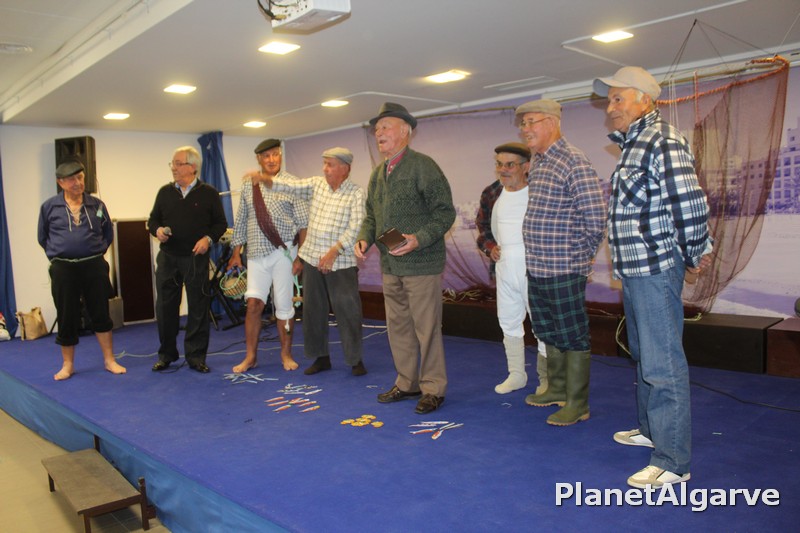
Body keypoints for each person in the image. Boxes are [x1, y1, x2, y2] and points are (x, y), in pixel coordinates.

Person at [593, 66, 712, 488]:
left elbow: (689, 203)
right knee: (645, 354)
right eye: (609, 100)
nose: (610, 108)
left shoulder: (662, 139)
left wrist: (695, 252)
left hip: (656, 269)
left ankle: (673, 461)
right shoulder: (634, 144)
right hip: (636, 271)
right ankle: (651, 431)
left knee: (663, 364)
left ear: (645, 100)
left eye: (618, 98)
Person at [356, 102, 456, 415]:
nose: (378, 133)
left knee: (427, 329)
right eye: (376, 130)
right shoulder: (377, 174)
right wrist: (364, 237)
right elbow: (371, 215)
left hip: (422, 264)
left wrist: (418, 239)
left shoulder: (423, 166)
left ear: (405, 132)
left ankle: (433, 388)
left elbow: (445, 213)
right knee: (398, 327)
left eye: (385, 127)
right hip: (391, 265)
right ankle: (407, 382)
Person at [517, 99, 607, 426]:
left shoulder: (573, 160)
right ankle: (556, 389)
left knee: (572, 334)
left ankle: (577, 403)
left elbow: (596, 218)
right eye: (523, 123)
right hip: (538, 267)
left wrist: (578, 258)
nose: (526, 129)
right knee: (547, 330)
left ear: (553, 122)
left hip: (563, 268)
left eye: (532, 122)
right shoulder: (539, 162)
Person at [258, 147, 367, 376]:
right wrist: (266, 180)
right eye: (324, 164)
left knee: (348, 311)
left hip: (341, 262)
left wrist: (334, 252)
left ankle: (355, 360)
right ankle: (321, 358)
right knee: (313, 311)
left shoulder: (356, 193)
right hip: (312, 258)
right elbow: (291, 186)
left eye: (330, 165)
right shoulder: (317, 185)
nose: (325, 169)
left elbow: (355, 227)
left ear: (344, 169)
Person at [37, 160, 126, 380]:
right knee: (66, 314)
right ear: (60, 182)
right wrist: (60, 254)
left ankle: (109, 360)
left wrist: (94, 251)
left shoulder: (97, 205)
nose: (77, 183)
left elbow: (107, 234)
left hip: (93, 265)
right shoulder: (49, 207)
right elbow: (43, 237)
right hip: (63, 268)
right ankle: (67, 365)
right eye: (71, 179)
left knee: (100, 312)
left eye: (80, 178)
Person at [227, 138, 309, 374]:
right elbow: (241, 220)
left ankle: (286, 354)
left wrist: (300, 258)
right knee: (253, 304)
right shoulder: (249, 185)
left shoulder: (293, 183)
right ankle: (250, 357)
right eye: (266, 156)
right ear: (259, 159)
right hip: (255, 254)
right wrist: (236, 253)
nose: (272, 159)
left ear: (280, 155)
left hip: (284, 253)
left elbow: (304, 224)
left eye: (275, 154)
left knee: (284, 306)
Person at [477, 142, 548, 395]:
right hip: (504, 267)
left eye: (510, 165)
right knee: (508, 321)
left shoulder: (540, 191)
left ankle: (546, 380)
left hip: (536, 268)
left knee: (542, 324)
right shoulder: (491, 193)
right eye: (499, 164)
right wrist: (490, 247)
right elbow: (483, 230)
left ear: (526, 167)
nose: (503, 170)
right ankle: (517, 374)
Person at [148, 146, 227, 373]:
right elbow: (153, 220)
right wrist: (158, 230)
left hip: (195, 258)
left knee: (198, 309)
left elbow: (220, 224)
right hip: (168, 258)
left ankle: (196, 357)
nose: (173, 168)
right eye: (172, 164)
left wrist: (208, 239)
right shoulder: (164, 192)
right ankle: (166, 354)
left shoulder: (209, 193)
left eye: (178, 163)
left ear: (192, 167)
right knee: (165, 308)